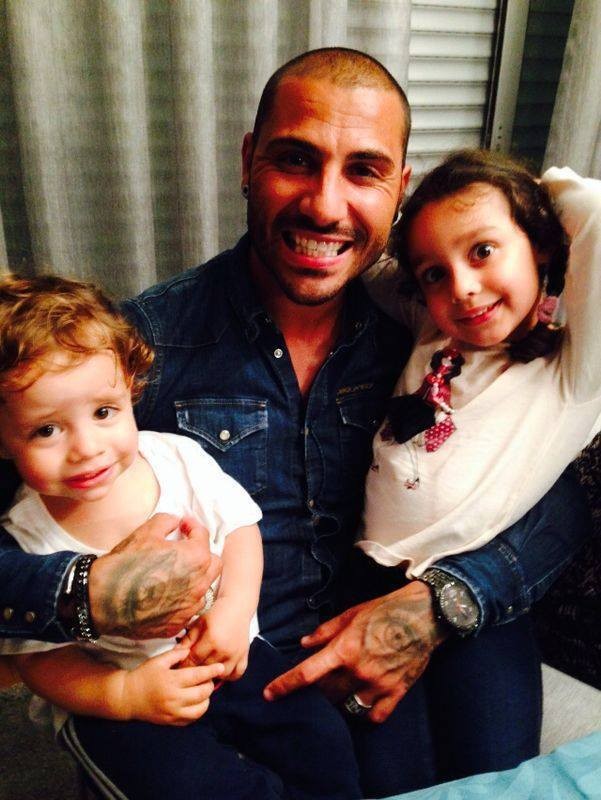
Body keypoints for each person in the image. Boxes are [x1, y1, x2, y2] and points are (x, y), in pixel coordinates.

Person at [0, 48, 591, 796]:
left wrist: (444, 602)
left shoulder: (425, 329)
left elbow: (555, 499)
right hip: (213, 677)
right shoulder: (134, 354)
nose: (324, 205)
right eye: (295, 160)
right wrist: (86, 592)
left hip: (377, 635)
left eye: (364, 171)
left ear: (399, 190)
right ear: (248, 162)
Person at [0, 274, 361, 800]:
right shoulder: (25, 534)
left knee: (319, 738)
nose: (86, 448)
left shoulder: (175, 457)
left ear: (130, 388)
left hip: (226, 651)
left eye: (103, 413)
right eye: (46, 430)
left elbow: (240, 530)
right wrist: (126, 694)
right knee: (191, 784)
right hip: (116, 693)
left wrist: (234, 612)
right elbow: (37, 660)